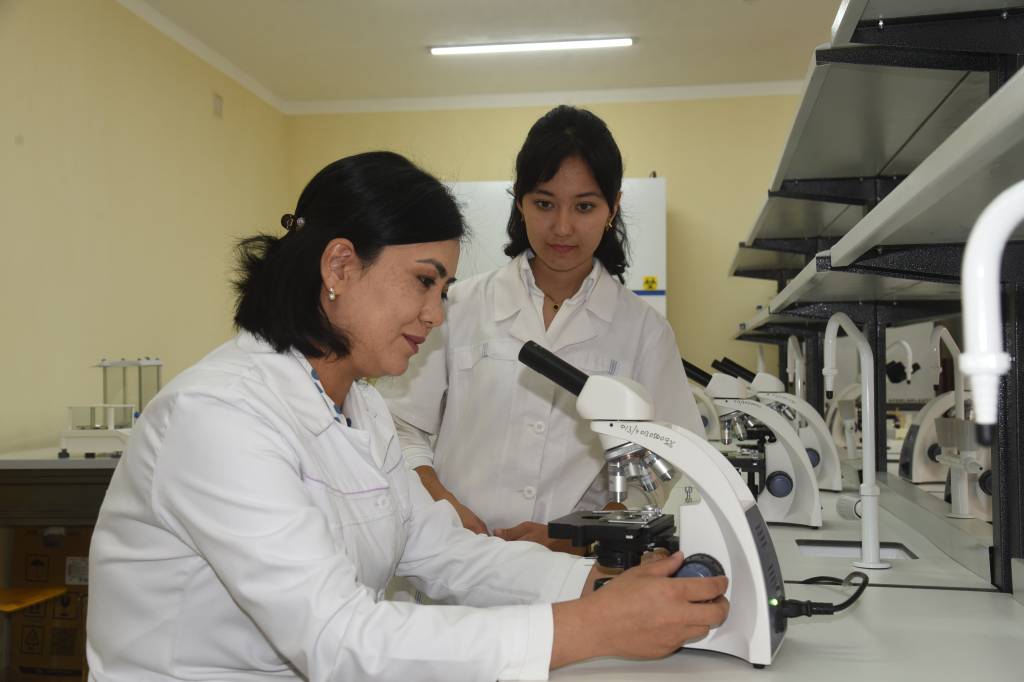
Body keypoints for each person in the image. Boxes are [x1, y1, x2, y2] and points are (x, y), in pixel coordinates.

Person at [85, 151, 728, 681]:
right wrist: (594, 626)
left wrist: (599, 585)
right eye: (424, 281)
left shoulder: (360, 407)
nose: (436, 315)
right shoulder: (219, 417)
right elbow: (338, 638)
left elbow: (443, 551)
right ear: (340, 266)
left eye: (443, 289)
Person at [380, 106, 704, 548]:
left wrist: (581, 535)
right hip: (453, 553)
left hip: (574, 569)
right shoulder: (456, 307)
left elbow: (673, 464)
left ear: (613, 207)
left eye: (584, 206)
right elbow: (398, 427)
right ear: (519, 201)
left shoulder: (644, 331)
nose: (562, 227)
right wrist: (445, 506)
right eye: (544, 203)